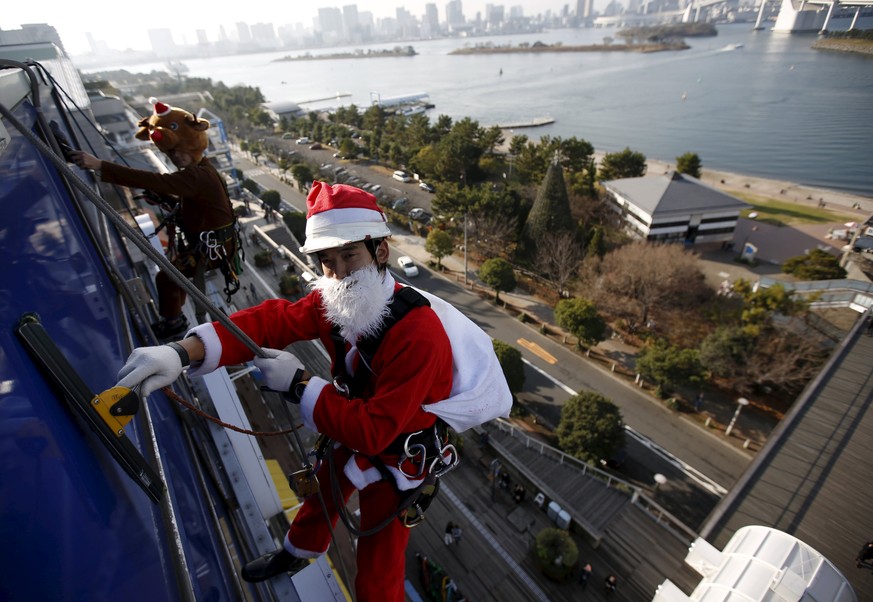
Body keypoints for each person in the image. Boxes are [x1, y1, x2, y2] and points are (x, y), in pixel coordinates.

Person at [113, 182, 455, 602]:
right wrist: (182, 352)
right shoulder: (339, 300)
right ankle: (298, 551)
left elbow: (375, 432)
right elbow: (272, 321)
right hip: (350, 422)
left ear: (380, 252)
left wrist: (299, 384)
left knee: (379, 565)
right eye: (328, 261)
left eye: (350, 255)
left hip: (399, 453)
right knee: (322, 495)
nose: (339, 273)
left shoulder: (420, 334)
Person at [71, 98, 238, 339]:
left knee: (166, 278)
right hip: (214, 245)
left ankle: (173, 323)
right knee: (175, 276)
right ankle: (175, 316)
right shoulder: (204, 170)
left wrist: (99, 165)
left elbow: (155, 180)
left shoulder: (197, 176)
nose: (176, 157)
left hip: (210, 250)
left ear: (193, 145)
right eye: (172, 153)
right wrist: (167, 200)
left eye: (180, 151)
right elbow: (193, 202)